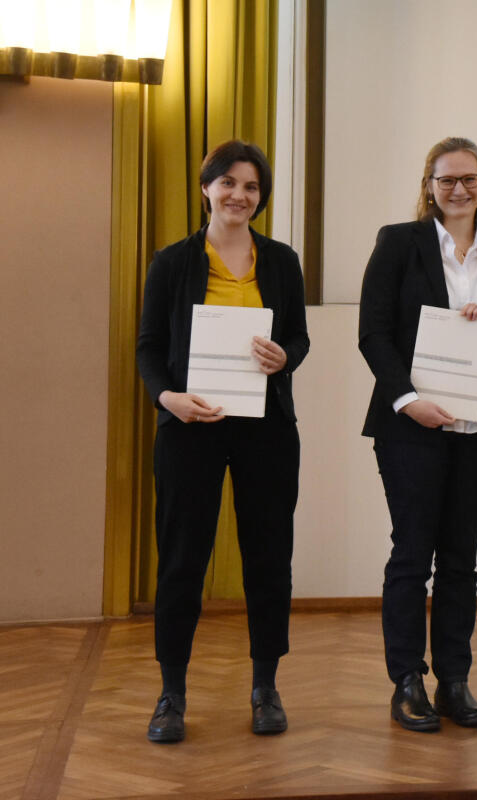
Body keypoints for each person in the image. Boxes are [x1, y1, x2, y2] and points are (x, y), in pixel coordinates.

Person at [136, 140, 309, 743]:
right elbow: (149, 347)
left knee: (269, 558)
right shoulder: (172, 261)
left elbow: (298, 338)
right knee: (182, 559)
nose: (240, 194)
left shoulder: (281, 261)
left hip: (266, 429)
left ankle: (265, 688)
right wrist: (168, 397)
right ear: (207, 187)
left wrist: (285, 356)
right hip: (190, 428)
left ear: (261, 197)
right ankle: (171, 694)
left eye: (252, 186)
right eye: (229, 182)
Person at [358, 137, 477, 733]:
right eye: (447, 179)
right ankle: (406, 680)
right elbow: (373, 333)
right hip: (410, 426)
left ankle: (454, 680)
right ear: (429, 187)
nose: (459, 189)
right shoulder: (398, 243)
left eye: (469, 178)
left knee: (461, 558)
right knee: (412, 554)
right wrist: (407, 401)